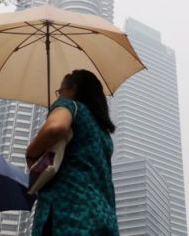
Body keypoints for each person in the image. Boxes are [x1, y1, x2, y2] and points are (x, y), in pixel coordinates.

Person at [26, 69, 119, 236]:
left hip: (68, 215)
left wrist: (31, 153)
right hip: (104, 219)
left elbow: (56, 128)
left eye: (60, 91)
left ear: (73, 89)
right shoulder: (104, 135)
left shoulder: (70, 105)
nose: (59, 96)